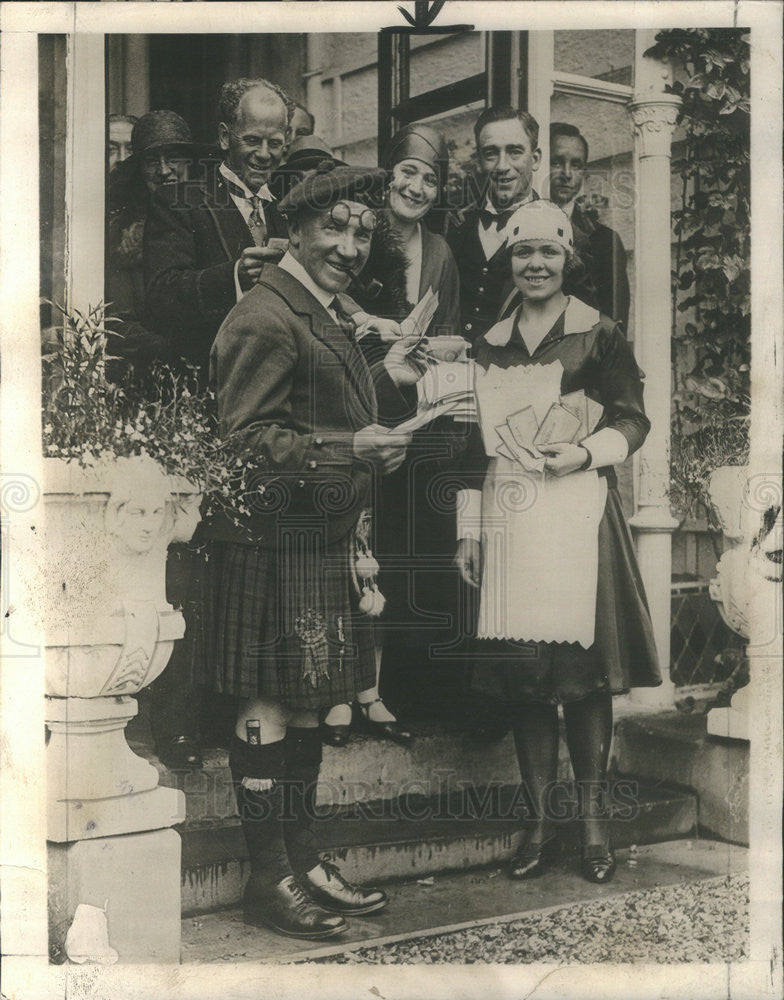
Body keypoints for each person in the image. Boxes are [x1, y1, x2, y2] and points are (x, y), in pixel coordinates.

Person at [196, 162, 426, 939]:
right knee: (268, 706)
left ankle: (301, 856)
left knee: (302, 705)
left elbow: (323, 407)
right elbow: (244, 442)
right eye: (335, 227)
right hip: (267, 541)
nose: (351, 244)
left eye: (364, 232)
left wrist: (382, 407)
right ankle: (271, 879)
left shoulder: (322, 311)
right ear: (293, 228)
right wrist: (349, 447)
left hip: (312, 539)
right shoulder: (265, 313)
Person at [455, 200, 660, 885]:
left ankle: (594, 826)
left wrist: (583, 452)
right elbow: (472, 445)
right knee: (525, 680)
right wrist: (470, 530)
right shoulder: (491, 341)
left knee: (582, 676)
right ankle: (540, 823)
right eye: (523, 254)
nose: (535, 265)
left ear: (566, 259)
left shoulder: (599, 334)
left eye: (547, 253)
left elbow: (634, 421)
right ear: (509, 263)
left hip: (578, 512)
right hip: (513, 519)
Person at [320, 122, 465, 744]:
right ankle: (337, 693)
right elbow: (329, 301)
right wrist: (373, 326)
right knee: (350, 552)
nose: (417, 185)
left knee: (403, 557)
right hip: (354, 410)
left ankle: (393, 692)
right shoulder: (358, 233)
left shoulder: (441, 253)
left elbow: (458, 338)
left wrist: (421, 343)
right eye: (407, 170)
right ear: (387, 173)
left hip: (418, 422)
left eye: (430, 178)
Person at [144, 77, 291, 373]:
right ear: (225, 137)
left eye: (274, 143)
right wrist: (234, 276)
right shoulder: (179, 200)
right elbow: (161, 297)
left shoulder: (287, 208)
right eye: (251, 140)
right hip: (209, 381)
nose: (264, 154)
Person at [107, 110, 202, 366]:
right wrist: (170, 353)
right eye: (151, 161)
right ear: (140, 170)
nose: (163, 170)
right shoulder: (124, 236)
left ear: (189, 164)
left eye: (173, 158)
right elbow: (118, 323)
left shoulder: (212, 219)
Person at [447, 105, 541, 344]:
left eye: (514, 152)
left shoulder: (562, 234)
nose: (502, 166)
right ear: (479, 161)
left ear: (536, 158)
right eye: (491, 154)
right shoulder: (457, 227)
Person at [548, 122, 631, 329]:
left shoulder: (605, 242)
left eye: (576, 165)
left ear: (584, 173)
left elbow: (614, 330)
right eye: (556, 162)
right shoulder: (516, 226)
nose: (567, 174)